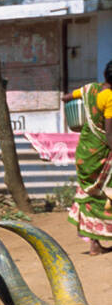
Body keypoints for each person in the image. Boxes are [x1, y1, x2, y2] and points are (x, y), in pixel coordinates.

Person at [63, 61, 112, 255]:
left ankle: (94, 244)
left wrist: (79, 116)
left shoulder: (90, 89)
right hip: (101, 153)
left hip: (85, 151)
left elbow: (65, 98)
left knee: (90, 196)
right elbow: (109, 134)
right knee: (106, 193)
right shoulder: (108, 97)